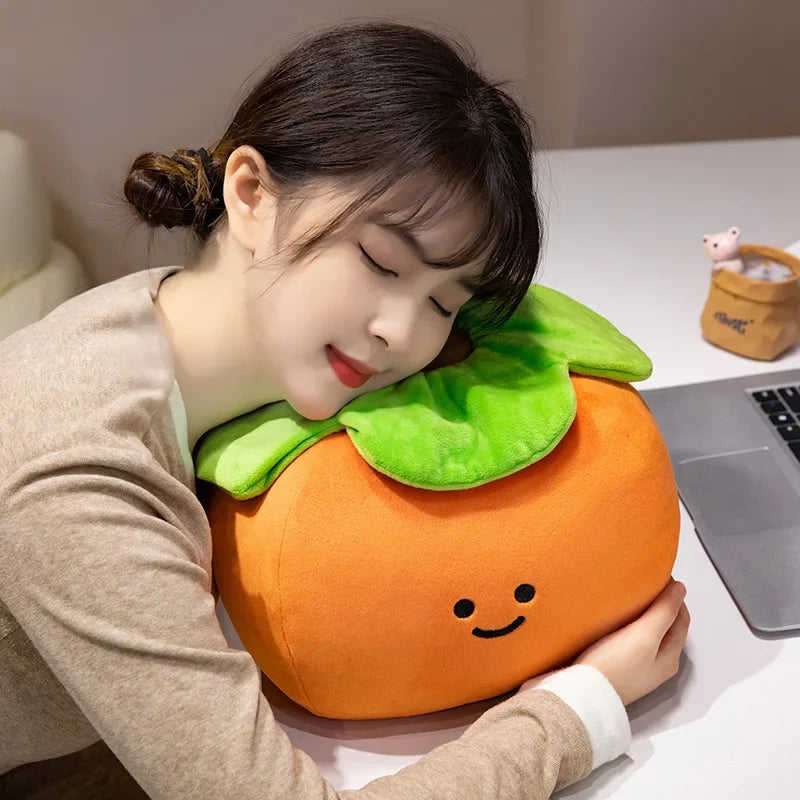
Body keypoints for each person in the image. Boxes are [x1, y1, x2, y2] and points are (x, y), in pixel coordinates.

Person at [0, 21, 689, 799]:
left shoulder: (176, 325)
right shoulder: (77, 475)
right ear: (252, 195)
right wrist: (579, 710)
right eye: (379, 260)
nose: (400, 331)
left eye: (443, 303)